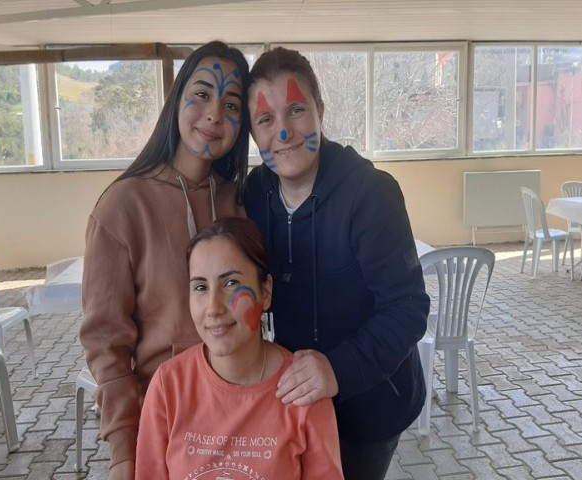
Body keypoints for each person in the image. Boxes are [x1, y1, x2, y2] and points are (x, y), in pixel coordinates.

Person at [243, 47, 430, 480]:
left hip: (371, 407)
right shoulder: (254, 194)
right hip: (299, 402)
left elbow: (408, 310)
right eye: (266, 119)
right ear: (252, 133)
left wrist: (337, 369)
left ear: (320, 112)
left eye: (296, 111)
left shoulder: (371, 194)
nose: (284, 132)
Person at [79, 41, 250, 480]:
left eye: (231, 104)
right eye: (201, 94)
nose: (214, 114)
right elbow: (105, 341)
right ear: (176, 99)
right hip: (163, 426)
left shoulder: (241, 202)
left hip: (243, 420)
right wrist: (123, 451)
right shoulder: (122, 206)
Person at [135, 217, 344, 479]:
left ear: (265, 292)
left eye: (231, 283)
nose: (213, 307)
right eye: (200, 287)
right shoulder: (169, 385)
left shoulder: (304, 388)